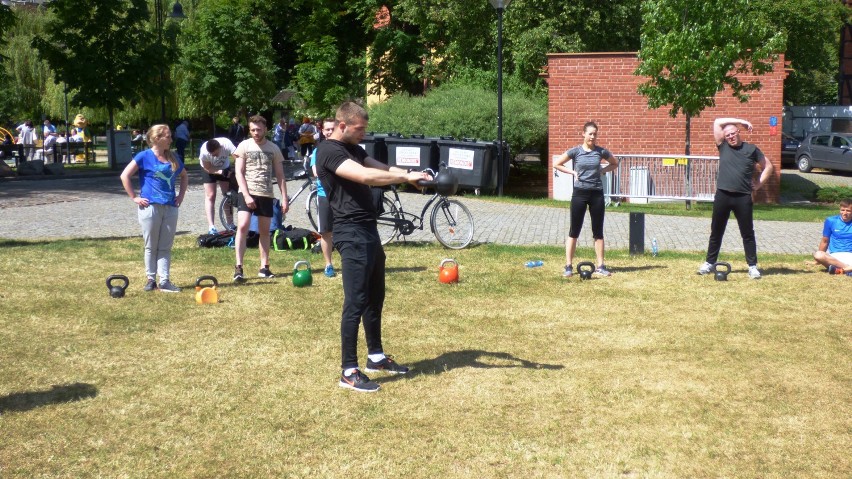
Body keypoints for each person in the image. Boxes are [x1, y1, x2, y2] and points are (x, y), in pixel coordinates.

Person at [315, 101, 430, 392]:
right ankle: (348, 370)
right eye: (359, 128)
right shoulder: (329, 151)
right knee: (355, 300)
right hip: (349, 231)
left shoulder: (354, 148)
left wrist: (411, 174)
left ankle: (376, 357)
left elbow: (379, 168)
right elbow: (365, 177)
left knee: (375, 295)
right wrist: (404, 177)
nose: (364, 133)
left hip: (368, 229)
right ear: (343, 125)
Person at [697, 117, 774, 279]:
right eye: (728, 135)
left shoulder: (751, 149)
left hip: (743, 197)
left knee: (747, 232)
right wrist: (741, 121)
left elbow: (768, 167)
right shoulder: (723, 147)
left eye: (733, 133)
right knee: (716, 230)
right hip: (723, 195)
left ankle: (752, 267)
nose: (730, 137)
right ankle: (709, 263)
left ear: (739, 133)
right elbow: (717, 122)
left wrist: (758, 185)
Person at [119, 124, 188, 293]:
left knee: (165, 246)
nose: (171, 139)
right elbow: (124, 175)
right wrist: (134, 197)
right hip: (150, 207)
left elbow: (184, 176)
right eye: (168, 136)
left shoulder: (173, 157)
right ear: (157, 139)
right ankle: (151, 279)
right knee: (151, 245)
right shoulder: (144, 156)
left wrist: (180, 196)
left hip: (170, 207)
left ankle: (164, 280)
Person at [553, 121, 619, 278]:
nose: (593, 136)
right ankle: (568, 266)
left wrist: (603, 169)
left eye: (595, 134)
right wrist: (573, 173)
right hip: (580, 194)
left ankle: (600, 266)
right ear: (583, 134)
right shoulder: (576, 151)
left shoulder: (600, 151)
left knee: (598, 232)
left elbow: (615, 163)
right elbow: (557, 164)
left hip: (596, 194)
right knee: (574, 230)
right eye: (590, 133)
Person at [232, 115, 289, 282]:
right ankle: (239, 267)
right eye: (253, 130)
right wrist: (247, 195)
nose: (256, 133)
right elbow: (238, 172)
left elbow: (280, 175)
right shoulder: (243, 146)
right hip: (247, 192)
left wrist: (284, 198)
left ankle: (264, 267)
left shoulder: (273, 148)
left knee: (265, 231)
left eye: (259, 129)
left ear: (265, 129)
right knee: (242, 226)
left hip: (266, 193)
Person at [310, 118, 338, 278]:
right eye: (327, 129)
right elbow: (316, 172)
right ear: (322, 131)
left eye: (332, 129)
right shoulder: (318, 151)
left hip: (342, 196)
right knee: (326, 232)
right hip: (324, 195)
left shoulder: (344, 149)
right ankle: (328, 265)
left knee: (344, 230)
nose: (329, 132)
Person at [199, 137, 238, 233]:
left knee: (228, 195)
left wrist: (236, 172)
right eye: (212, 155)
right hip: (209, 169)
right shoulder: (204, 151)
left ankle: (230, 223)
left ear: (220, 147)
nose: (215, 156)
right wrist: (220, 172)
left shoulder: (227, 143)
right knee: (210, 195)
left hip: (224, 166)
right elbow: (207, 168)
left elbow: (238, 158)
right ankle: (211, 227)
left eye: (216, 154)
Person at [813, 198, 852, 276]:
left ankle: (840, 270)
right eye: (842, 210)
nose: (844, 213)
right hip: (834, 257)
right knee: (818, 255)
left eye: (848, 211)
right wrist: (818, 261)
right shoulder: (831, 221)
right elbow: (825, 241)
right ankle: (847, 269)